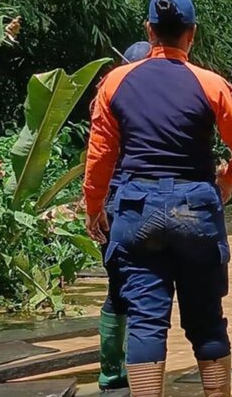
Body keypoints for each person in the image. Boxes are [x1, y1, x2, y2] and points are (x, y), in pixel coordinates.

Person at [84, 0, 232, 396]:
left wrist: (95, 208)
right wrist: (230, 180)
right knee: (207, 320)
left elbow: (100, 158)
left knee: (146, 320)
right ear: (191, 34)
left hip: (136, 209)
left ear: (149, 31)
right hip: (194, 208)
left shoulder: (114, 82)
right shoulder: (211, 83)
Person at [96, 41, 151, 393]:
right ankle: (137, 371)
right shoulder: (160, 96)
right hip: (144, 201)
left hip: (117, 202)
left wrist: (93, 205)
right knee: (147, 291)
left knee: (119, 287)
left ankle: (114, 373)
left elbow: (97, 155)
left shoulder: (110, 93)